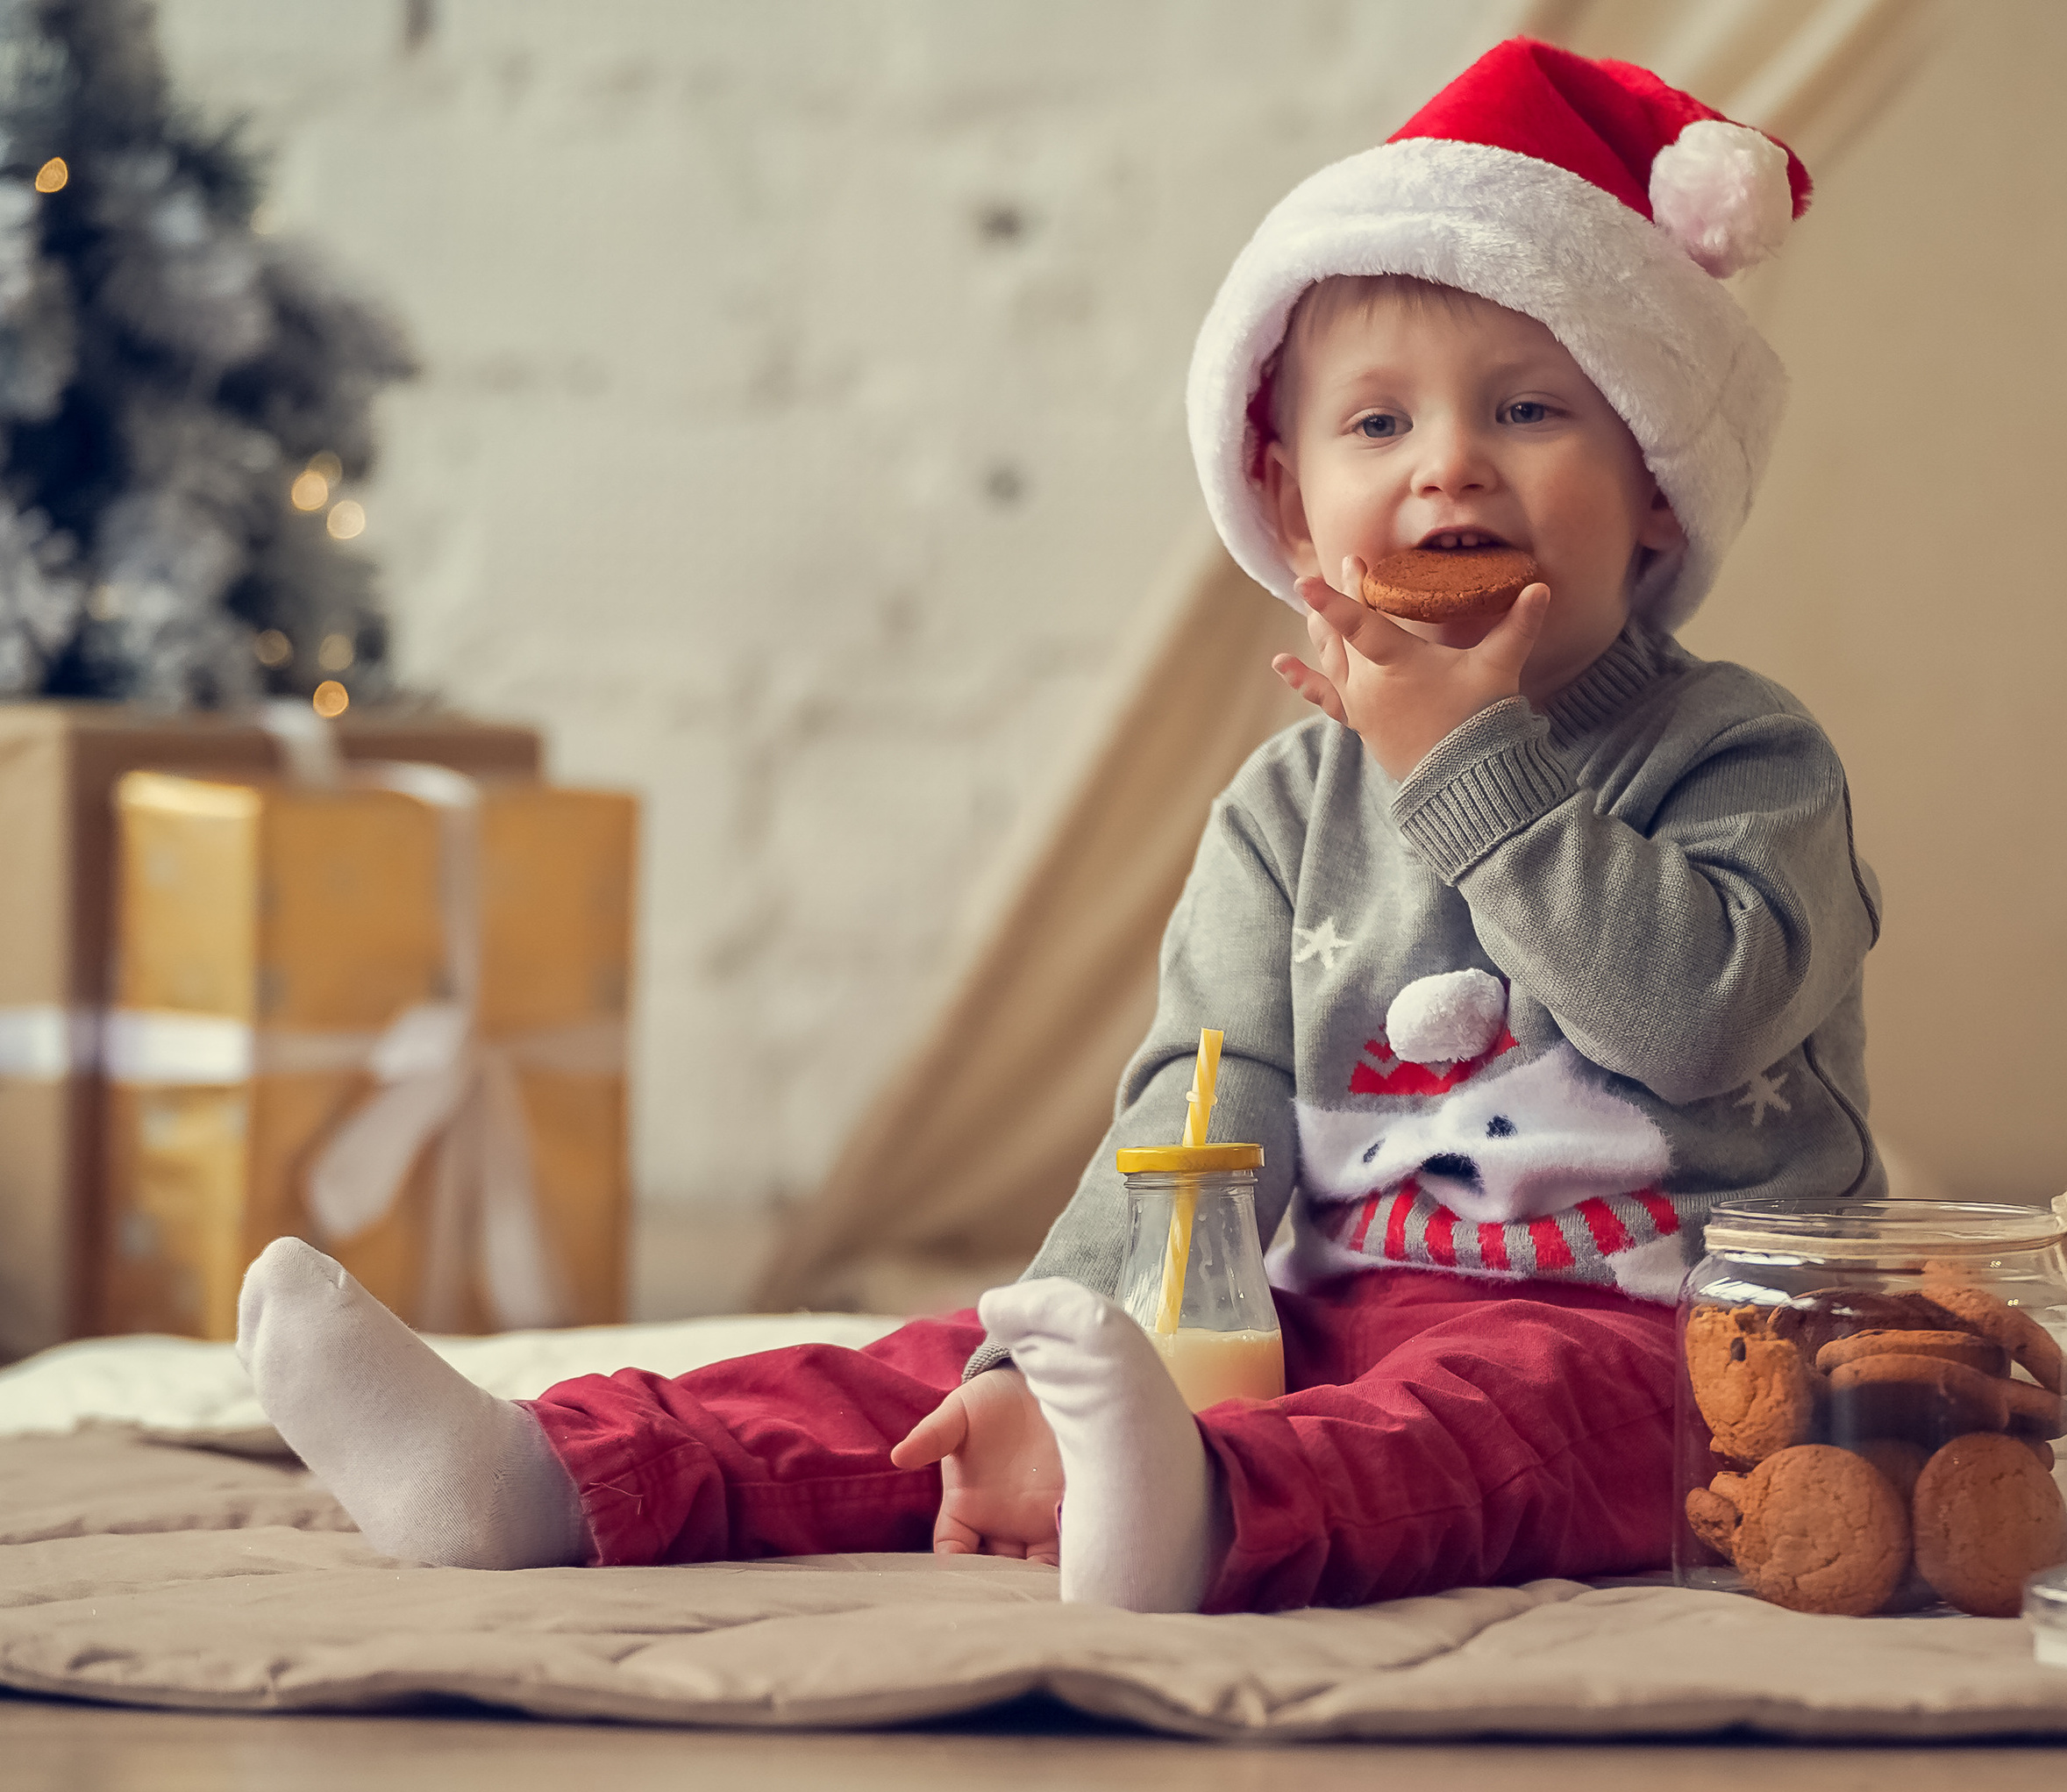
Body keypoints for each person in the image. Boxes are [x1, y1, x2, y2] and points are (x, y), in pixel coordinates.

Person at [236, 39, 1883, 1616]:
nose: (1450, 463)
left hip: (1671, 1334)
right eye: (1378, 424)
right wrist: (1050, 1358)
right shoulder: (1285, 808)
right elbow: (1199, 1111)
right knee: (926, 1360)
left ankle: (1199, 1507)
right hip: (1334, 1299)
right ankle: (544, 1479)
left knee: (1483, 1420)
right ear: (1295, 501)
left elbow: (1691, 1017)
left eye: (1531, 411)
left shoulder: (1741, 755)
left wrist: (1476, 768)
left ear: (1655, 479)